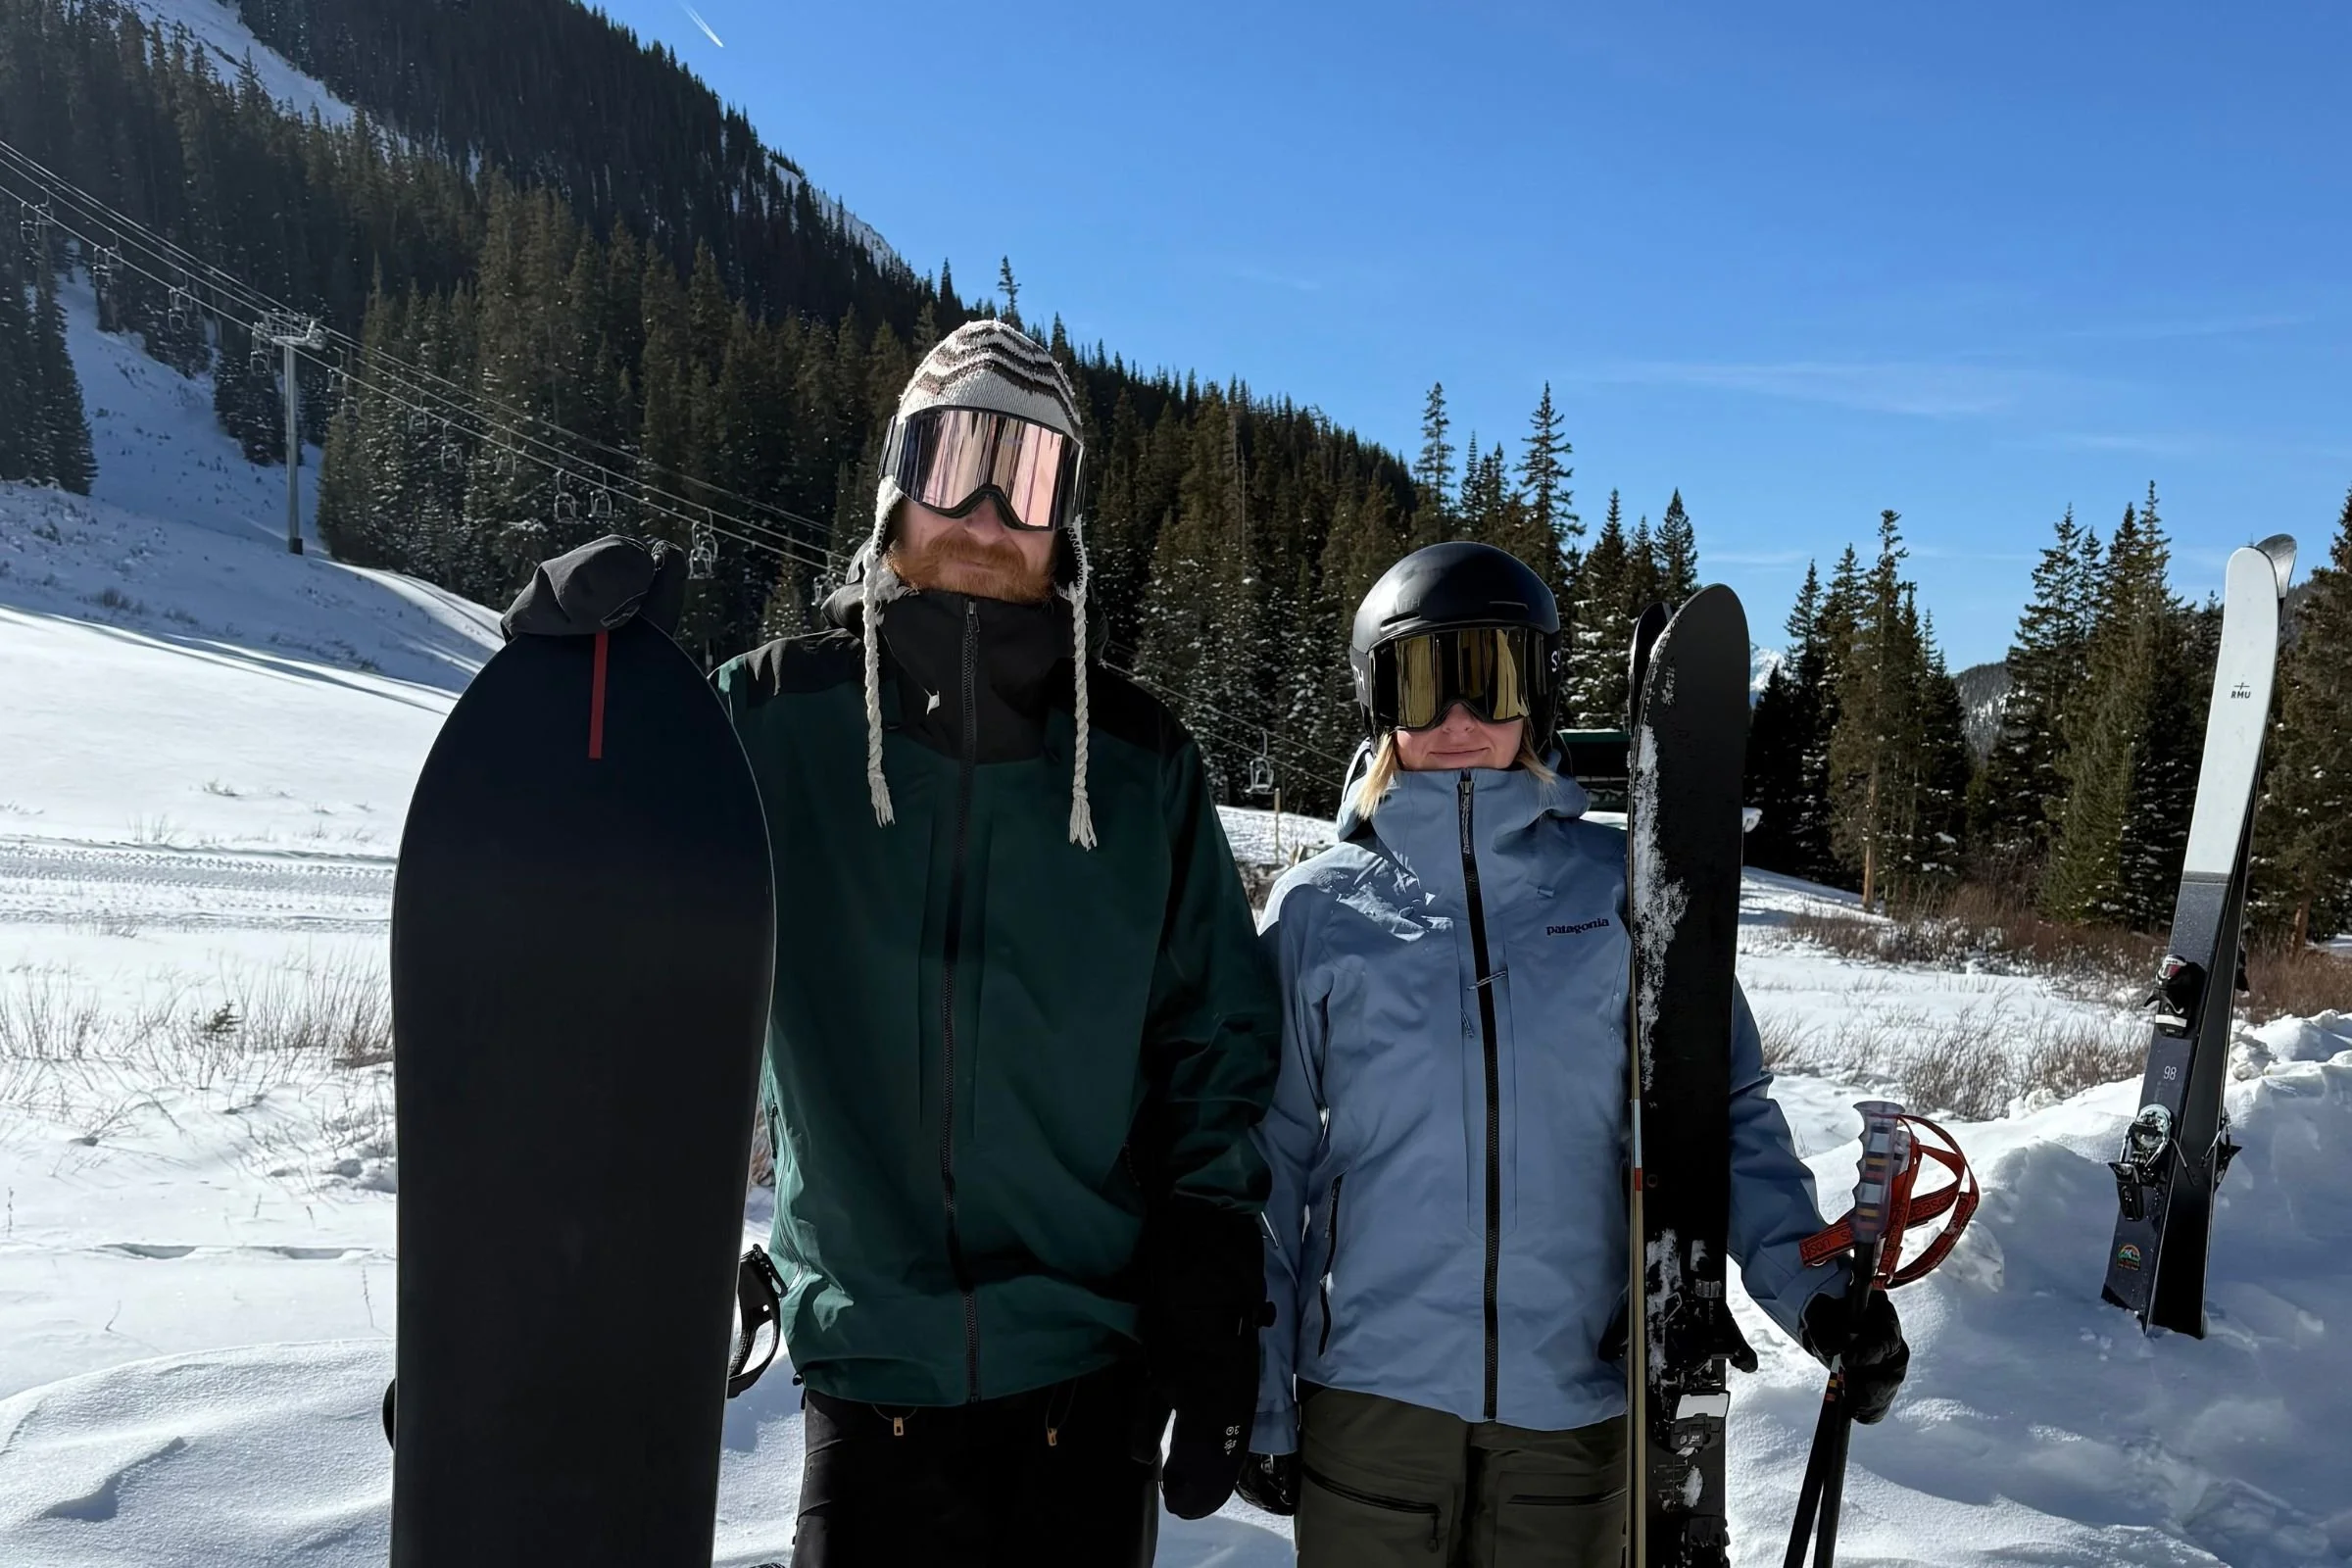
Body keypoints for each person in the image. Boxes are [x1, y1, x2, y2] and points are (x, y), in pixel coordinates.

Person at [502, 320, 1281, 1566]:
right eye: (955, 461)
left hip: (1089, 1375)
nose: (987, 516)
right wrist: (574, 697)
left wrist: (1212, 1260)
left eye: (1028, 479)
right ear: (894, 485)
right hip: (873, 1374)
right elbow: (614, 903)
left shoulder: (1141, 765)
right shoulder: (769, 718)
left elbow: (1216, 1034)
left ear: (1066, 525)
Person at [1230, 542, 1907, 1567]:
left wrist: (1811, 1291)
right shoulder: (1318, 909)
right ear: (1379, 703)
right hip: (1372, 1404)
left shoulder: (1623, 890)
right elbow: (1266, 1166)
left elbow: (1718, 1114)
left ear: (1538, 696)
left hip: (1573, 1412)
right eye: (1425, 683)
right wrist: (1262, 1394)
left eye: (1492, 680)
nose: (1460, 719)